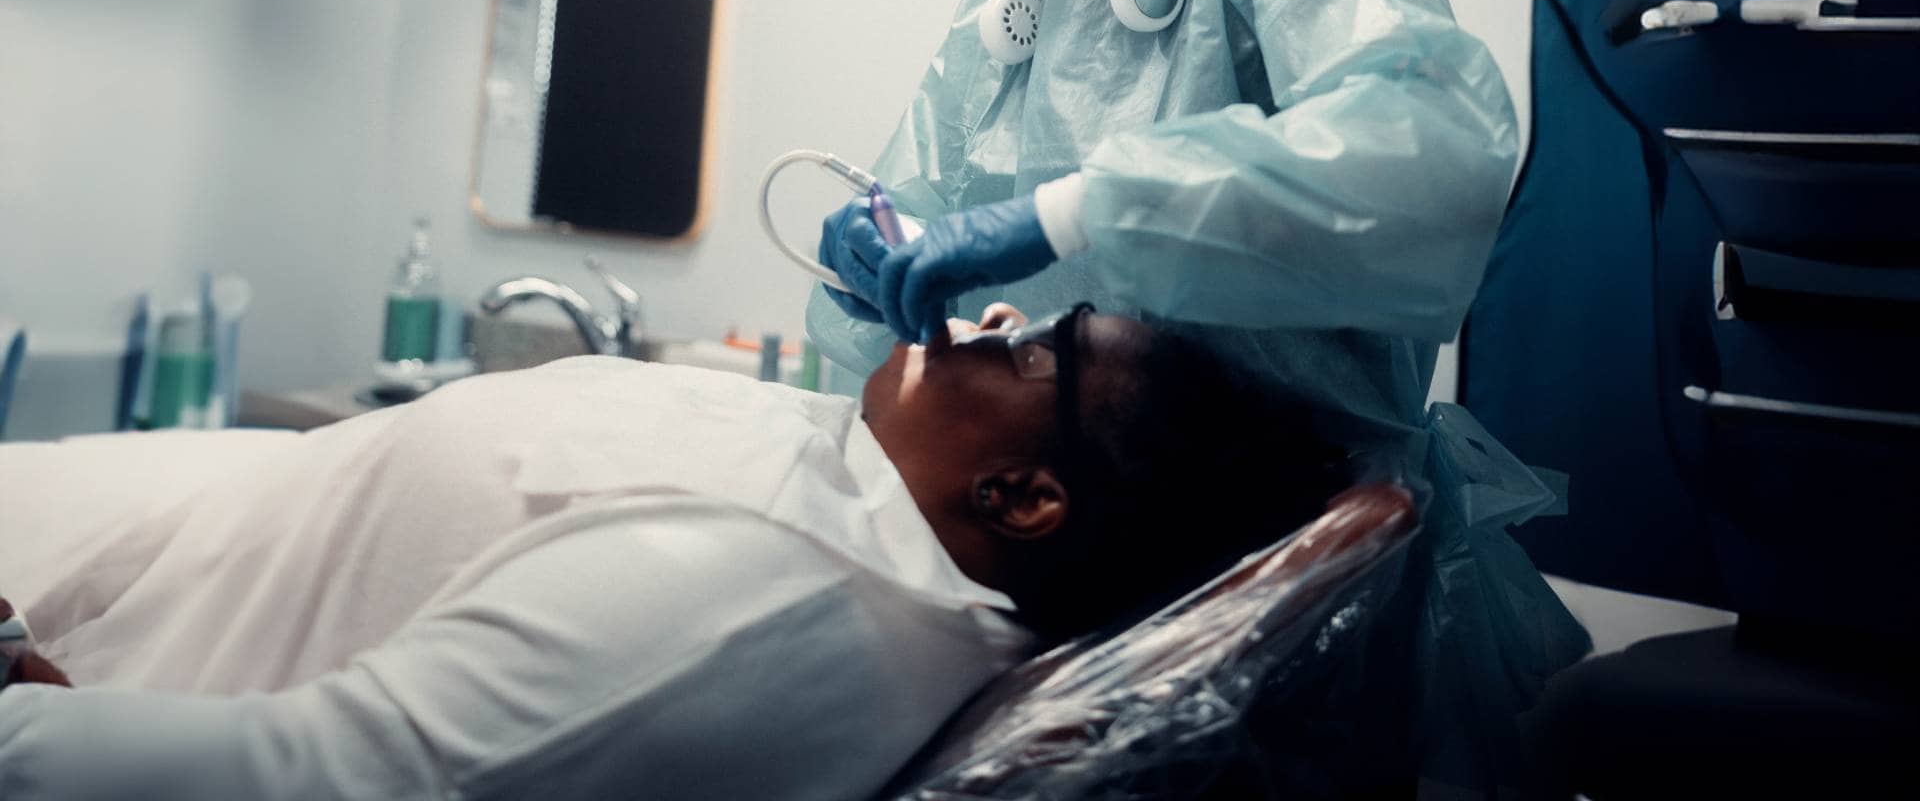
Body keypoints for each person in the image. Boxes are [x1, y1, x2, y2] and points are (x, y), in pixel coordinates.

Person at [805, 0, 1591, 788]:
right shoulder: (1005, 8)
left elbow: (1424, 154)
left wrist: (1082, 215)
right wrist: (874, 257)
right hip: (1066, 597)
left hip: (1309, 572)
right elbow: (913, 256)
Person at [0, 308, 1338, 800]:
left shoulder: (753, 606)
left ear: (1024, 499)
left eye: (1041, 348)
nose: (991, 316)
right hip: (148, 531)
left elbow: (321, 779)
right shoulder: (859, 490)